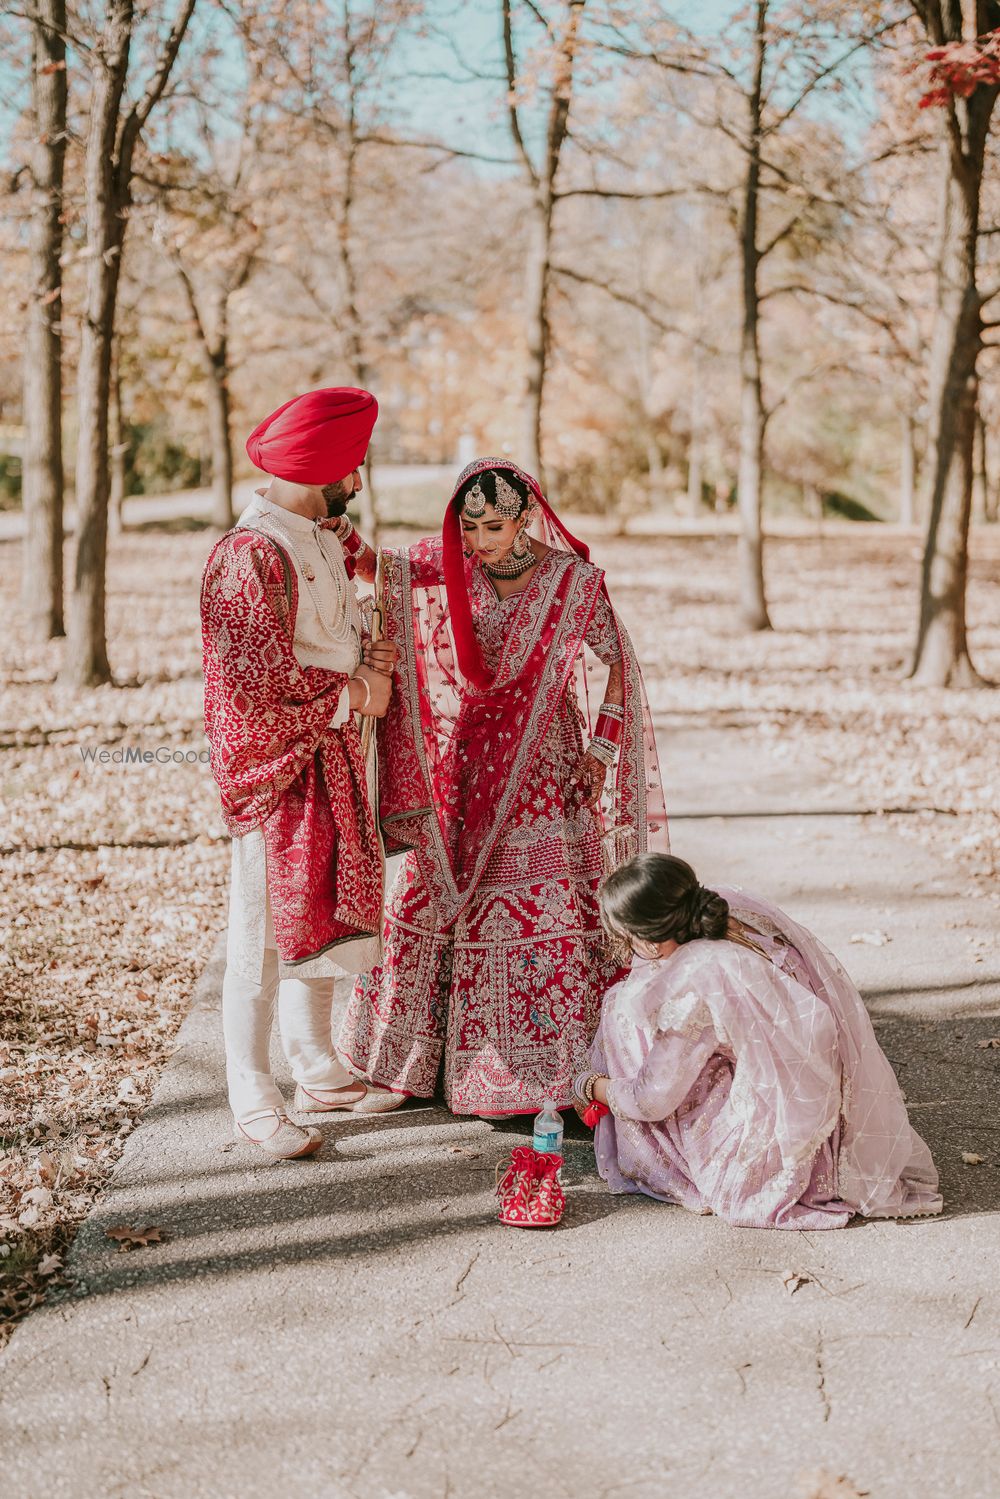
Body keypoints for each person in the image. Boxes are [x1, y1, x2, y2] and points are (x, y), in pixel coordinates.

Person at [338, 457, 669, 1116]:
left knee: (543, 906)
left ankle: (554, 1077)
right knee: (428, 896)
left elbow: (619, 666)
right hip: (463, 765)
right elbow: (387, 570)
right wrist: (336, 527)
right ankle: (404, 1070)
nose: (480, 540)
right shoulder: (453, 561)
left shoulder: (571, 582)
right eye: (468, 526)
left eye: (493, 525)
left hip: (544, 767)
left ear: (525, 517)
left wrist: (602, 750)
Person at [200, 386, 400, 1161]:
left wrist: (364, 659)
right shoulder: (249, 557)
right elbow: (248, 690)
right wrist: (354, 689)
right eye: (354, 467)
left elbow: (336, 629)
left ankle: (315, 1064)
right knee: (262, 931)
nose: (360, 481)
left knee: (322, 911)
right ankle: (252, 1090)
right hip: (280, 769)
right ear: (327, 466)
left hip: (334, 751)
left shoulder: (324, 534)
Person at [576, 853, 943, 1228]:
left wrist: (592, 1086)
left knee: (620, 1008)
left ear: (649, 940)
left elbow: (650, 1098)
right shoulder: (736, 916)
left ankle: (665, 1155)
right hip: (816, 1114)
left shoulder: (695, 986)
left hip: (771, 1148)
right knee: (636, 1001)